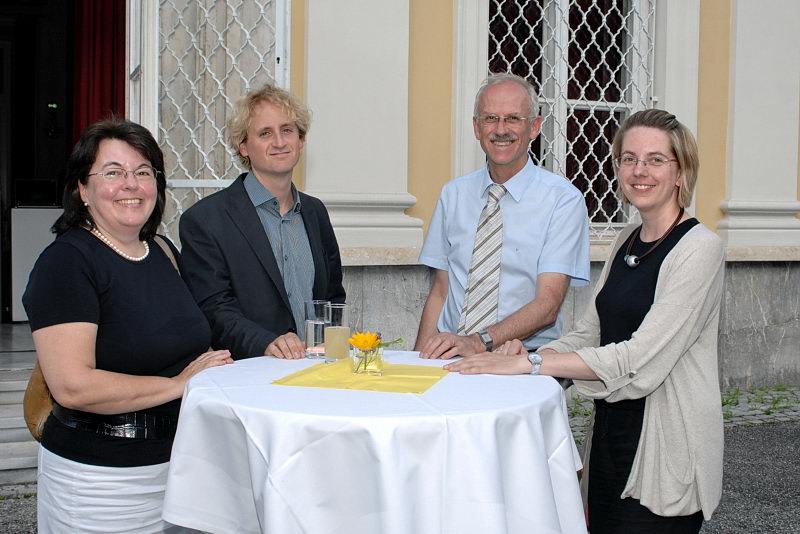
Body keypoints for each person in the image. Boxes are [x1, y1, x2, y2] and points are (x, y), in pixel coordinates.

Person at [447, 109, 724, 533]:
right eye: (628, 158)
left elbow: (639, 358)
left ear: (681, 172)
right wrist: (532, 353)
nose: (639, 171)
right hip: (611, 436)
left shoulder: (700, 248)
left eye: (655, 160)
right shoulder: (626, 240)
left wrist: (532, 364)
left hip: (667, 446)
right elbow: (589, 332)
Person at [23, 119, 234, 532]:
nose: (131, 184)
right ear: (83, 189)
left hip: (180, 468)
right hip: (101, 484)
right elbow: (73, 386)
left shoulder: (163, 251)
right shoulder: (66, 263)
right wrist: (178, 384)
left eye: (143, 171)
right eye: (113, 172)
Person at [415, 73, 590, 359]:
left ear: (534, 126)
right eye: (490, 118)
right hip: (451, 356)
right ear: (476, 127)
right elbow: (440, 292)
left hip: (521, 360)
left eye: (513, 119)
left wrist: (478, 341)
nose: (500, 129)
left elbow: (548, 305)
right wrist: (417, 364)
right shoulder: (453, 194)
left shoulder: (563, 200)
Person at [179, 84, 345, 360]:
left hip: (316, 369)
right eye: (265, 133)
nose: (279, 142)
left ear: (301, 140)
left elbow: (333, 297)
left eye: (287, 130)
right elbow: (214, 308)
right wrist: (266, 343)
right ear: (243, 146)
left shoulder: (315, 212)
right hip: (248, 370)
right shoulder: (205, 220)